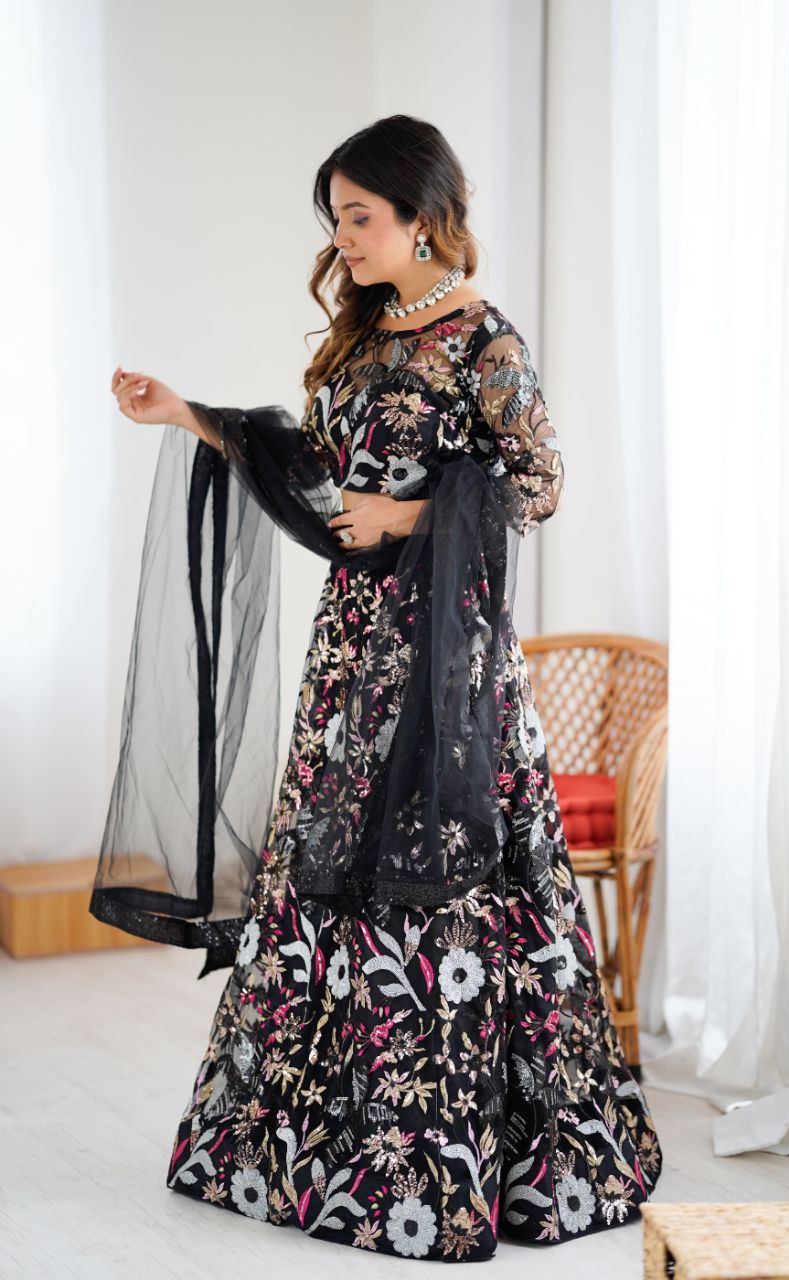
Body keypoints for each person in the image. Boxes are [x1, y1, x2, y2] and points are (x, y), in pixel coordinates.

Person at [96, 114, 662, 1262]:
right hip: (350, 655)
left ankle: (437, 1159)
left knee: (444, 884)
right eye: (336, 219)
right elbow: (315, 476)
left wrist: (405, 514)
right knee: (328, 871)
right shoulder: (359, 339)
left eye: (359, 217)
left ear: (423, 217)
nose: (342, 239)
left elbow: (537, 481)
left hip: (448, 666)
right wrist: (185, 413)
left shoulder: (482, 340)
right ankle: (315, 1152)